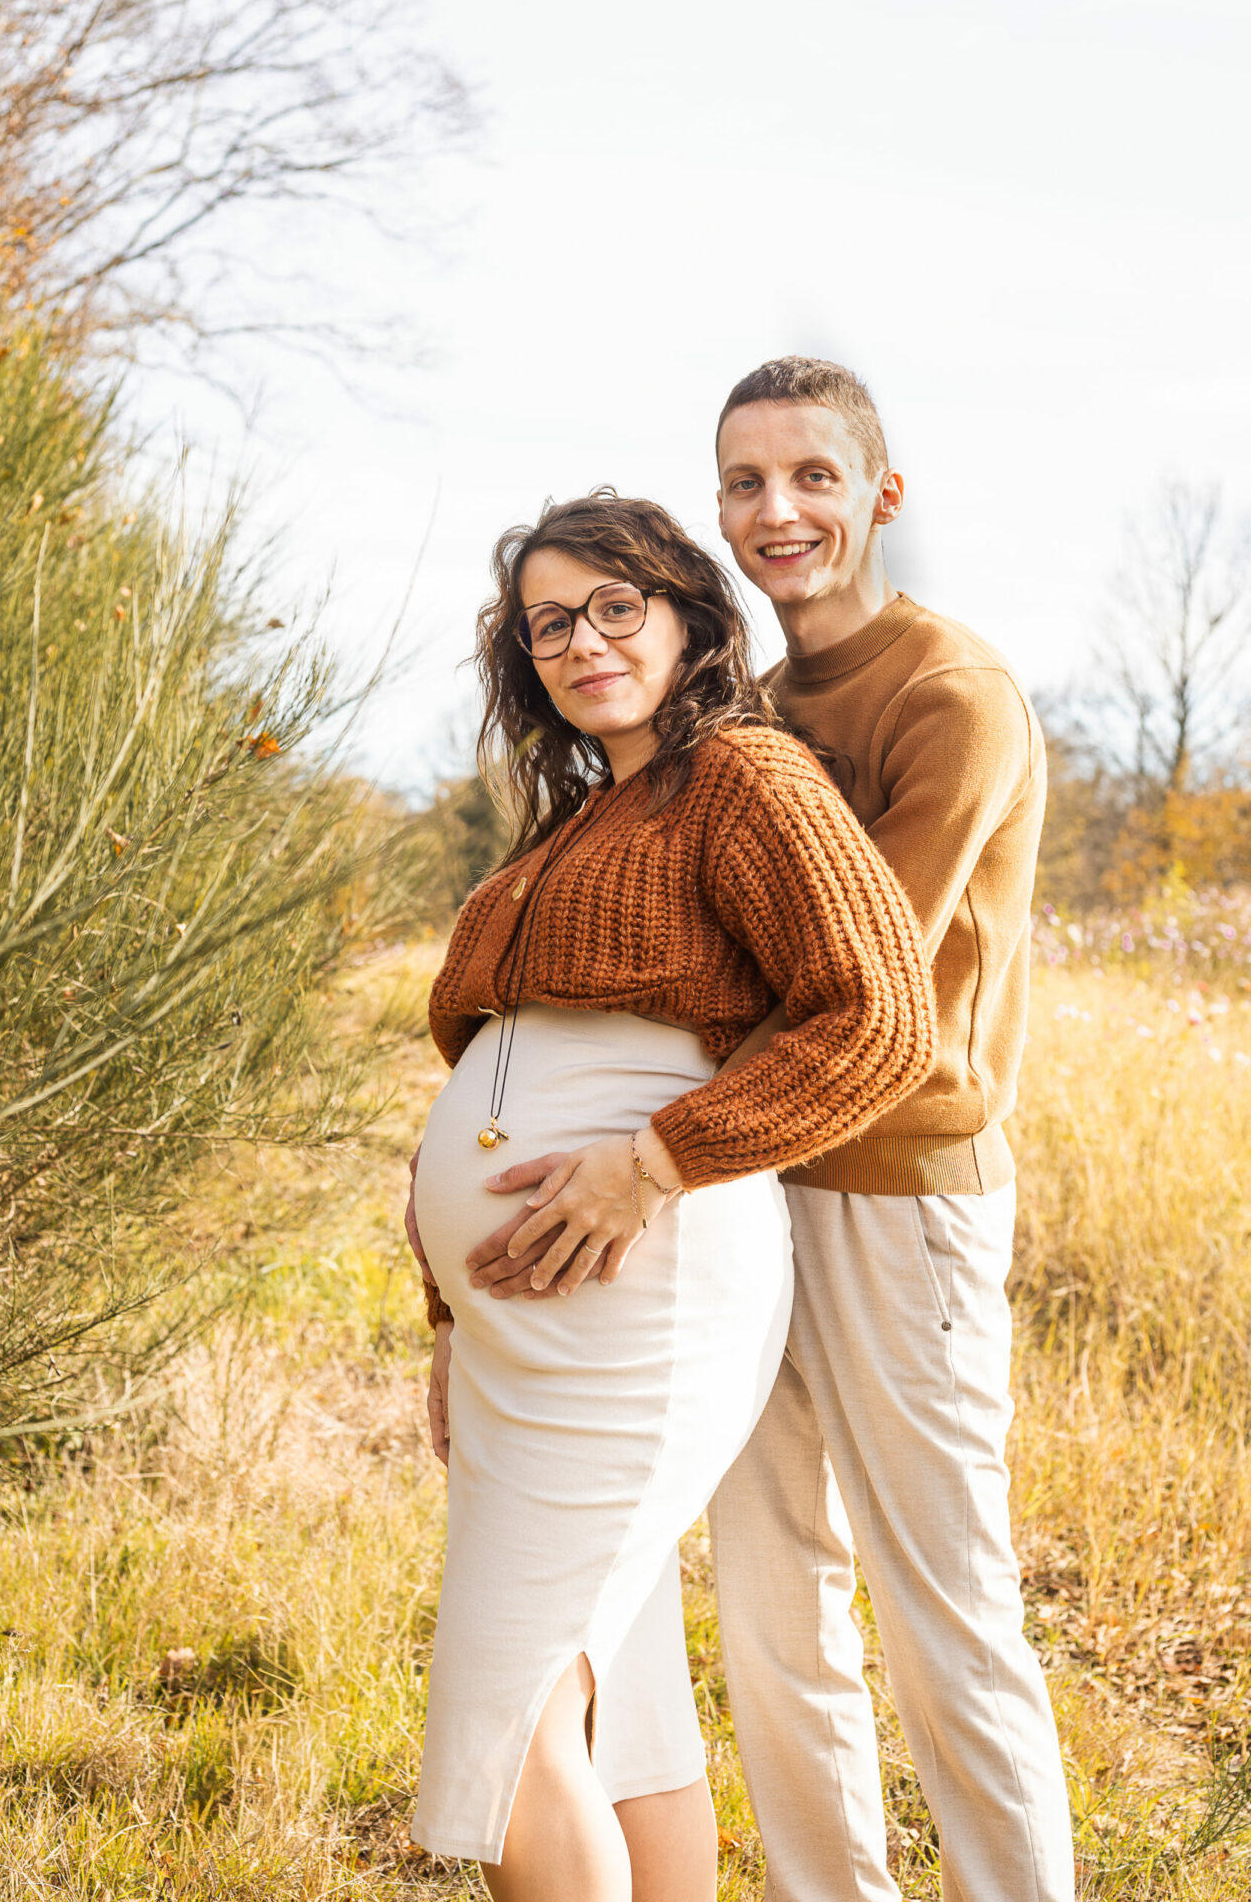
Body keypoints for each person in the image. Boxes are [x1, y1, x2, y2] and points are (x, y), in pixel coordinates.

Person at [468, 363, 1076, 1902]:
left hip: (895, 1190)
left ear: (882, 492)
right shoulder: (749, 707)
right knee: (771, 1608)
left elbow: (850, 976)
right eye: (743, 483)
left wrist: (639, 1135)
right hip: (746, 1188)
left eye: (812, 476)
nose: (775, 510)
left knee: (945, 1607)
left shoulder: (947, 698)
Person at [403, 489, 935, 1902]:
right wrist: (449, 1320)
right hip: (532, 1320)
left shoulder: (746, 778)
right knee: (618, 1699)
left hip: (636, 1286)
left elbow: (879, 1016)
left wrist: (647, 1166)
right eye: (548, 625)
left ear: (689, 609)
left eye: (613, 606)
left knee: (504, 1720)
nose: (581, 641)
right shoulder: (583, 816)